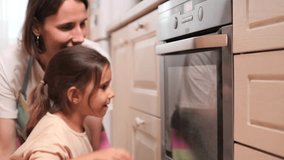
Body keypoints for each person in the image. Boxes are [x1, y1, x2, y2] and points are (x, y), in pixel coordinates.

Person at [0, 0, 108, 159]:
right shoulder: (10, 64)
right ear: (36, 27)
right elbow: (6, 150)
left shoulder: (95, 59)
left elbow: (92, 145)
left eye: (82, 24)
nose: (80, 38)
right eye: (66, 27)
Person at [10, 45, 131, 160]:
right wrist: (95, 157)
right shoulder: (53, 133)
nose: (112, 93)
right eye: (103, 87)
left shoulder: (76, 125)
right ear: (74, 95)